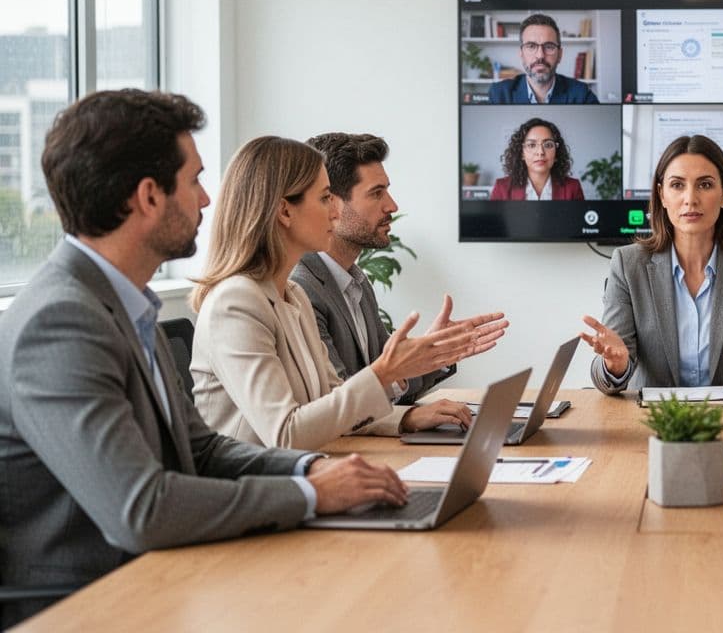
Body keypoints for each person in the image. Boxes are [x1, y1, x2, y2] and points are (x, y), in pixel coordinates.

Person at [0, 91, 409, 627]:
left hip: (158, 577)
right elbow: (142, 510)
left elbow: (201, 449)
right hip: (94, 606)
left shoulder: (118, 303)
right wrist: (309, 494)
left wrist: (314, 467)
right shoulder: (60, 322)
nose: (208, 200)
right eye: (193, 180)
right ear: (148, 197)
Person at [191, 136, 506, 450]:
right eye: (325, 198)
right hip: (258, 489)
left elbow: (332, 402)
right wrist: (384, 373)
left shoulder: (294, 295)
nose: (334, 212)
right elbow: (286, 433)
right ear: (285, 212)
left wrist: (403, 418)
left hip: (305, 473)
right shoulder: (235, 304)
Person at [291, 133, 508, 403]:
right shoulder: (302, 289)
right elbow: (337, 405)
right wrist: (405, 419)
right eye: (376, 193)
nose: (392, 206)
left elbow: (392, 387)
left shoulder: (356, 283)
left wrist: (432, 353)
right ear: (331, 202)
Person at [583, 135, 723, 394]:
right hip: (655, 420)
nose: (690, 199)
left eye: (705, 184)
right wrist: (615, 365)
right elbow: (606, 374)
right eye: (677, 185)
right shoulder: (627, 263)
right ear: (662, 195)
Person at [487, 14, 599, 104]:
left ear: (560, 55)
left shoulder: (581, 94)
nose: (540, 55)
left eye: (549, 46)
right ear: (521, 54)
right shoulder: (499, 94)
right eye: (531, 46)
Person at [489, 118, 586, 200]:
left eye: (548, 145)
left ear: (557, 152)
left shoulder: (573, 187)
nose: (540, 152)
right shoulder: (501, 188)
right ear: (522, 153)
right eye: (531, 145)